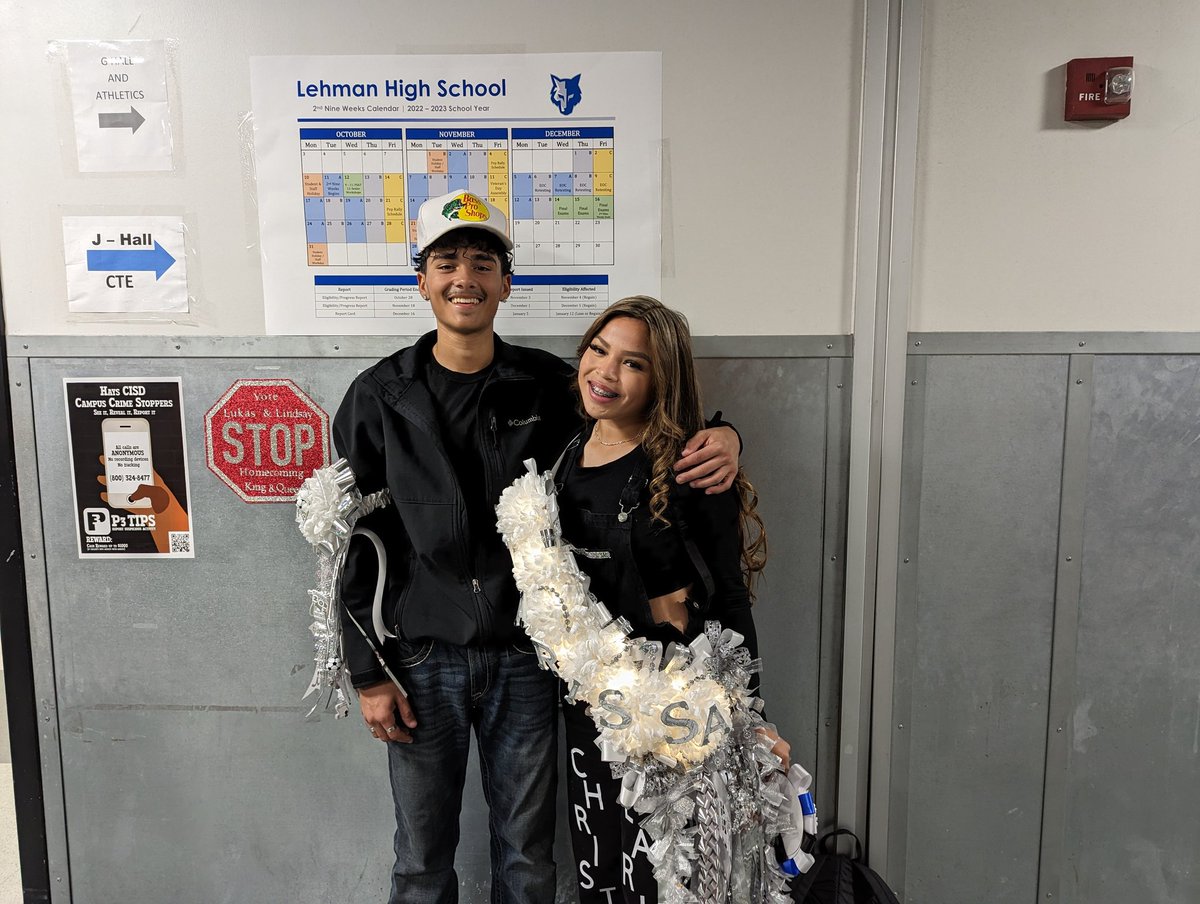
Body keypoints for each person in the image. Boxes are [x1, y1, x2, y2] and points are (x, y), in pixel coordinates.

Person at [331, 190, 742, 904]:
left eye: (483, 263)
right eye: (447, 261)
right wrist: (367, 671)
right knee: (421, 858)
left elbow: (643, 432)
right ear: (421, 279)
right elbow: (354, 541)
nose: (466, 277)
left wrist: (727, 434)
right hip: (421, 659)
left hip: (527, 659)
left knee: (526, 857)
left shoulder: (552, 385)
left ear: (506, 283)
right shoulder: (378, 395)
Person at [553, 296, 790, 903]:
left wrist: (753, 721)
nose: (606, 373)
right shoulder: (564, 453)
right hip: (592, 715)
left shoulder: (692, 465)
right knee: (604, 872)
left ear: (662, 379)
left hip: (684, 716)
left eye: (634, 363)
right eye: (599, 351)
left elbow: (732, 599)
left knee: (678, 880)